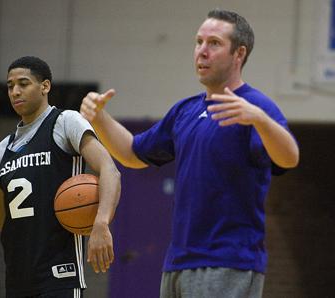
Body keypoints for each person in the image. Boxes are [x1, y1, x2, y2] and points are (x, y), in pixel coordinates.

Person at [80, 9, 299, 298]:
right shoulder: (185, 110)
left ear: (239, 53)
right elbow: (133, 153)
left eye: (214, 43)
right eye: (199, 42)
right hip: (178, 263)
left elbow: (289, 158)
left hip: (227, 263)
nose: (202, 51)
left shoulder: (256, 107)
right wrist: (100, 118)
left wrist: (260, 120)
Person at [0, 56, 121, 298]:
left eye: (23, 83)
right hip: (17, 277)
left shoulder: (64, 122)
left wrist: (101, 222)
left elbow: (109, 170)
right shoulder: (3, 148)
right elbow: (0, 213)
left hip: (59, 275)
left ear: (45, 86)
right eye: (10, 86)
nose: (15, 91)